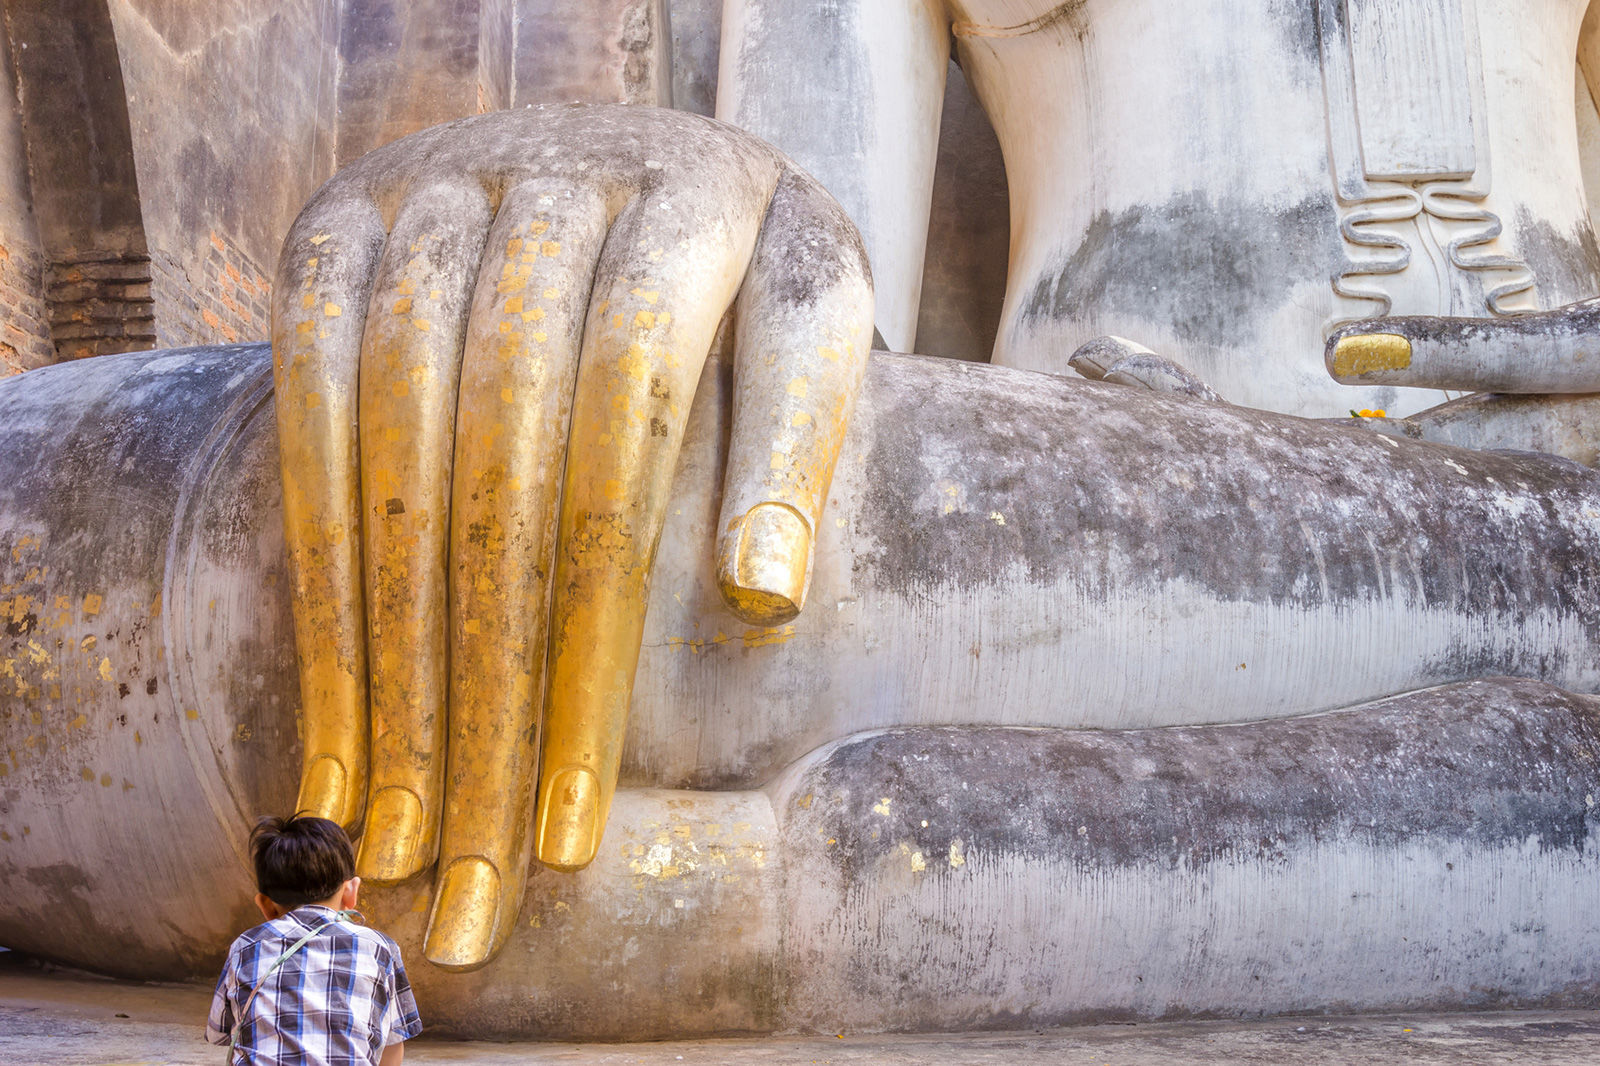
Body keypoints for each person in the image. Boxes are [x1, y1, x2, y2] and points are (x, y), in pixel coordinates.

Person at [207, 815, 423, 1065]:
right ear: (351, 892)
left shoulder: (246, 946)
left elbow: (220, 1032)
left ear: (266, 905)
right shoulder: (379, 948)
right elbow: (391, 1046)